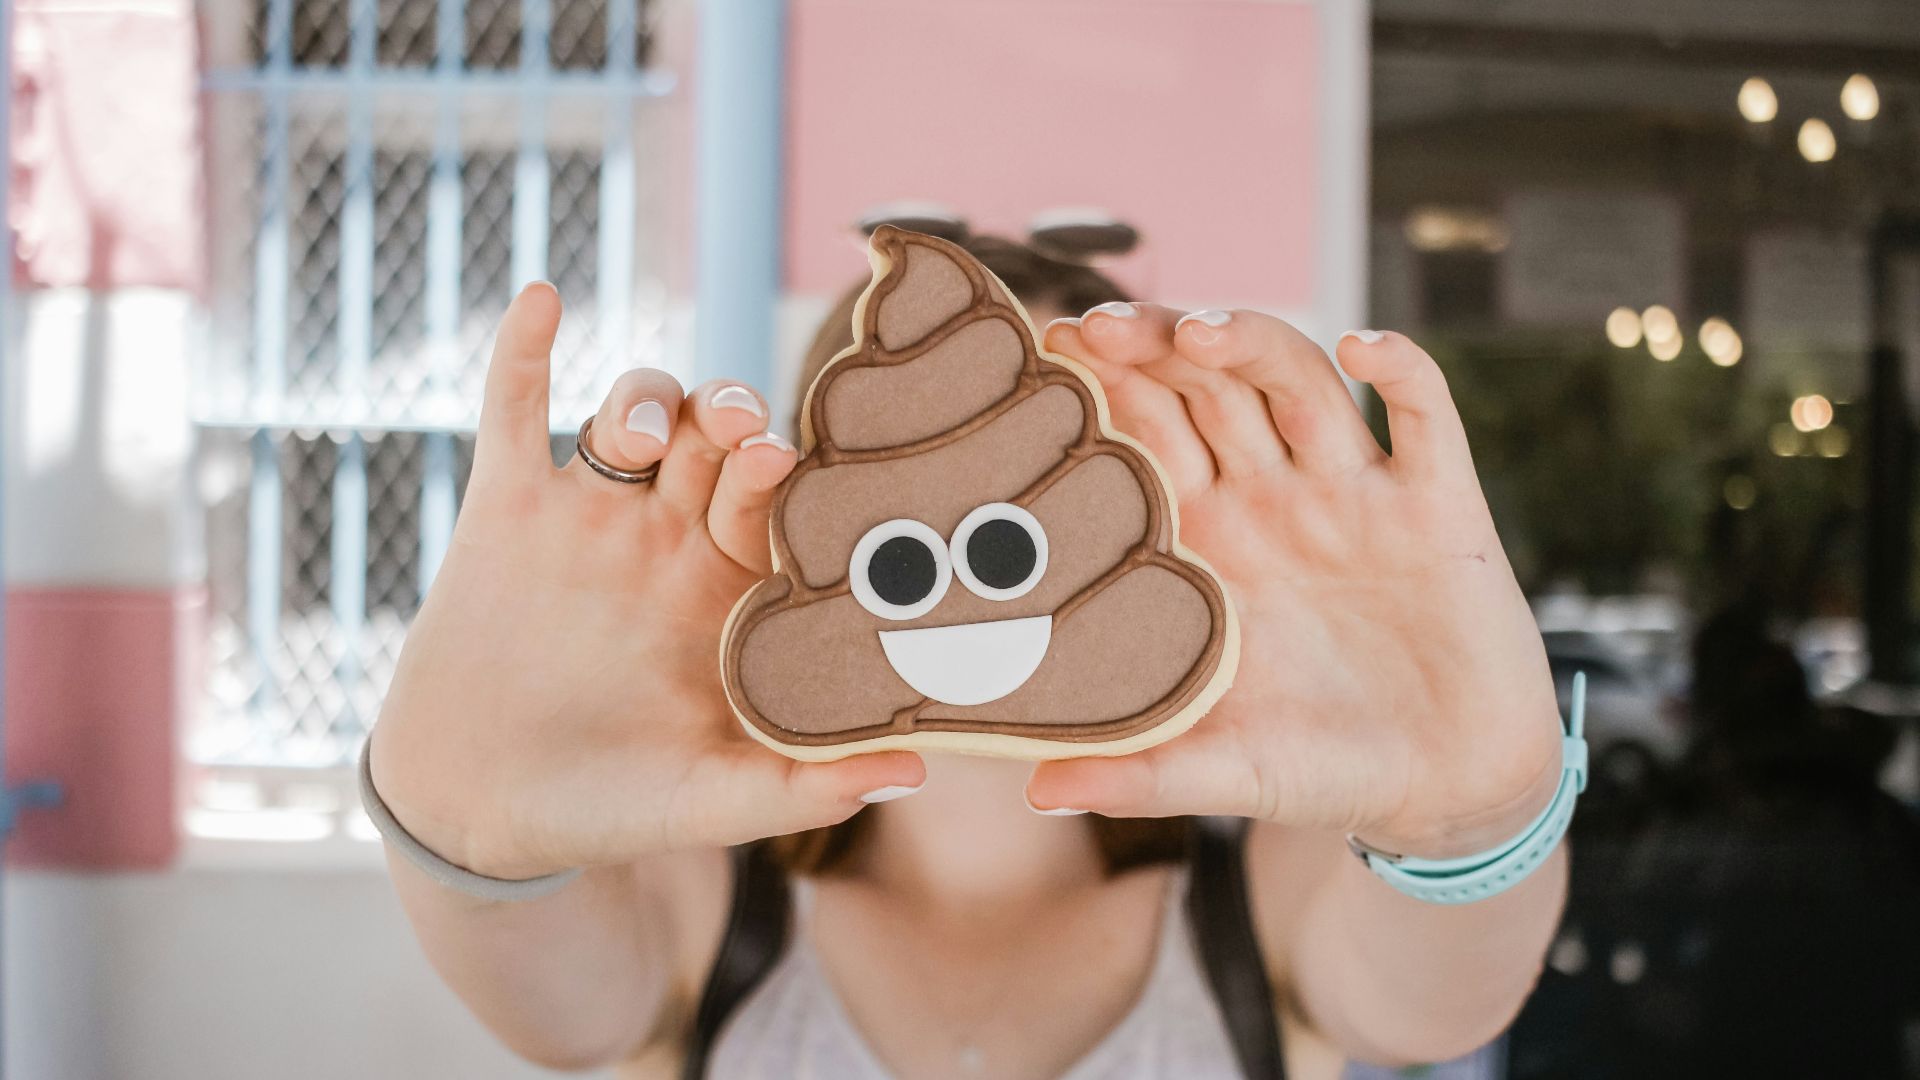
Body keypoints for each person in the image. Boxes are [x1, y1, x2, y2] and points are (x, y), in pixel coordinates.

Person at [366, 233, 1571, 1080]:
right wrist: (458, 833)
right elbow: (558, 1011)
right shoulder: (701, 902)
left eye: (1047, 477)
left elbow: (1430, 1002)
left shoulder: (1261, 902)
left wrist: (1480, 819)